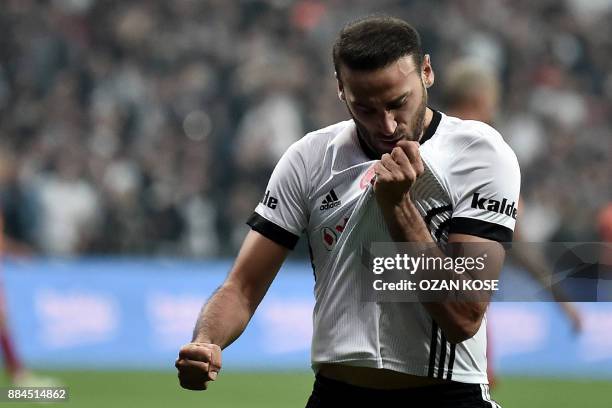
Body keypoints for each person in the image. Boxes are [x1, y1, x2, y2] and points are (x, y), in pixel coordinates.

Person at [176, 16, 520, 407]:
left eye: (398, 103)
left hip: (446, 395)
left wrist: (400, 209)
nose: (387, 125)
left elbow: (464, 315)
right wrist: (206, 342)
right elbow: (243, 286)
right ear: (341, 90)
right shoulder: (310, 158)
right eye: (366, 109)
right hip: (336, 395)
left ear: (426, 72)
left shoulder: (479, 155)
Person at [442, 58, 584, 387]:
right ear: (481, 98)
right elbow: (515, 239)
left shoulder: (417, 143)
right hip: (462, 306)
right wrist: (563, 301)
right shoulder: (488, 153)